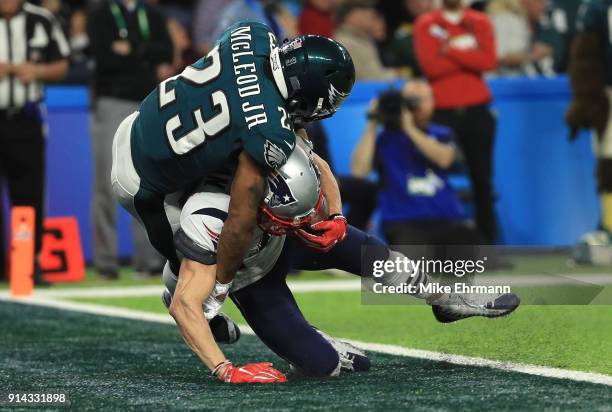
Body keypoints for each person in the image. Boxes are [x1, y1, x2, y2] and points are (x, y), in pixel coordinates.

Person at [161, 136, 520, 382]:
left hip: (279, 240)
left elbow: (323, 170)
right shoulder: (207, 218)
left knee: (368, 252)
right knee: (322, 366)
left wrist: (335, 216)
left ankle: (445, 299)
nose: (300, 219)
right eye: (288, 215)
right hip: (250, 275)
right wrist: (225, 369)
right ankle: (314, 339)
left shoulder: (281, 151)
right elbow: (184, 303)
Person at [111, 19, 356, 355]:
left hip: (148, 119)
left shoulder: (254, 35)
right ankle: (194, 305)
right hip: (140, 176)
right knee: (190, 258)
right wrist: (222, 286)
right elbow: (240, 219)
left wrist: (338, 213)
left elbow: (260, 103)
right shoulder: (267, 130)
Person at [88, 0, 173, 279]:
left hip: (147, 104)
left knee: (147, 183)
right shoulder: (101, 14)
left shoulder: (153, 14)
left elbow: (167, 51)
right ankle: (106, 262)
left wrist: (132, 49)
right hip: (111, 100)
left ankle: (149, 260)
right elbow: (104, 58)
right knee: (105, 185)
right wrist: (147, 55)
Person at [352, 80, 484, 246]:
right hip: (403, 221)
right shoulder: (384, 139)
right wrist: (372, 122)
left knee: (473, 258)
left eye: (420, 99)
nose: (414, 106)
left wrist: (408, 128)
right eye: (409, 101)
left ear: (432, 101)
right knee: (413, 262)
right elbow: (358, 171)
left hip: (447, 219)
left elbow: (444, 159)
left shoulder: (441, 133)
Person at [414, 0, 498, 244]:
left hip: (477, 111)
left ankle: (488, 245)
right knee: (436, 176)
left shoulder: (480, 21)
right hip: (442, 111)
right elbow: (431, 66)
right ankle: (438, 242)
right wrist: (470, 54)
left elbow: (488, 61)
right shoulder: (426, 23)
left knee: (483, 179)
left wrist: (449, 49)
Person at [0, 0, 69, 285]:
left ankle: (25, 266)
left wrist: (37, 72)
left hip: (25, 119)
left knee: (28, 195)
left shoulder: (41, 20)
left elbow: (63, 64)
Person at [566, 0, 612, 240]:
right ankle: (610, 223)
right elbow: (584, 58)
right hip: (608, 93)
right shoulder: (597, 9)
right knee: (608, 159)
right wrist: (586, 97)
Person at [334, 0, 396, 80]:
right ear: (351, 16)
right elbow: (372, 78)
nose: (371, 14)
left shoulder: (360, 40)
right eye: (364, 11)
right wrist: (396, 76)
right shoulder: (347, 43)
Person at [386, 0, 434, 77]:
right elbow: (424, 62)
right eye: (410, 1)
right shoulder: (404, 34)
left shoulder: (446, 23)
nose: (417, 3)